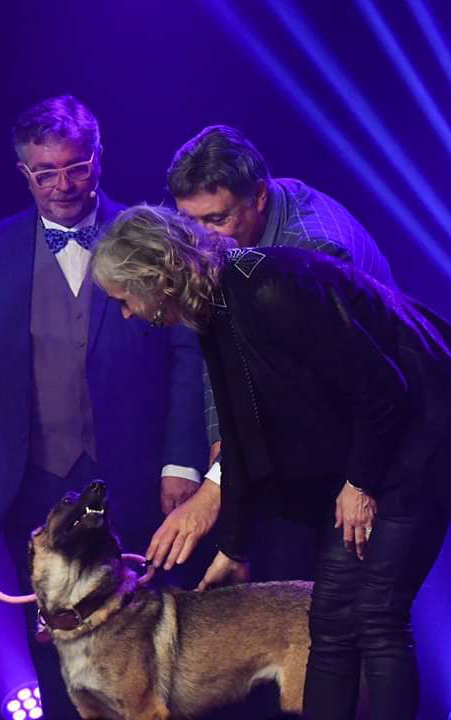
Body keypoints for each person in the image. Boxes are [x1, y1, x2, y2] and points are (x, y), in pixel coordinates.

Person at [91, 204, 451, 720]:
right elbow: (241, 437)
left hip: (419, 438)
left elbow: (382, 388)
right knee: (328, 618)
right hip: (372, 449)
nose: (128, 313)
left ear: (153, 278)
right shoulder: (215, 307)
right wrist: (232, 547)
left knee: (378, 614)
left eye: (125, 300)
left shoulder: (270, 287)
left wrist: (359, 483)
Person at [0, 95, 206, 720]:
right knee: (53, 640)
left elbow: (186, 354)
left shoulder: (146, 235)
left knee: (147, 637)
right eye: (47, 172)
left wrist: (181, 462)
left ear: (99, 159)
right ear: (23, 173)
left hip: (133, 471)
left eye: (77, 167)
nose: (64, 185)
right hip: (30, 477)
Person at [161, 124, 395, 582]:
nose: (201, 237)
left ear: (259, 198)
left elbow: (306, 392)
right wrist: (222, 439)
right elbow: (223, 349)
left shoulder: (312, 254)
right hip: (307, 441)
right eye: (190, 222)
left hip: (366, 439)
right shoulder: (233, 244)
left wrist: (218, 486)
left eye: (216, 220)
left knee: (355, 616)